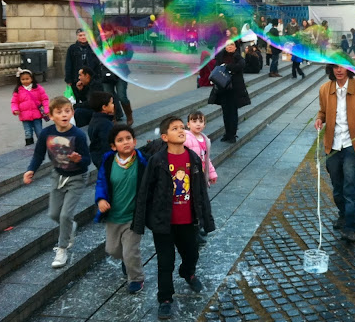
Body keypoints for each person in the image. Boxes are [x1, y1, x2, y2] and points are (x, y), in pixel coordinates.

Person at [132, 116, 215, 320]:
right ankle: (165, 299)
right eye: (174, 128)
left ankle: (187, 272)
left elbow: (200, 191)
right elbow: (145, 191)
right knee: (165, 262)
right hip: (164, 222)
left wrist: (206, 218)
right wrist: (142, 221)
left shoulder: (193, 158)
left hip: (188, 220)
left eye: (181, 127)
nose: (180, 130)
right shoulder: (157, 160)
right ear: (164, 137)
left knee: (192, 254)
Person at [314, 64, 355, 242]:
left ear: (348, 68)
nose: (339, 70)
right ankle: (343, 215)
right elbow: (322, 111)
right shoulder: (324, 89)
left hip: (352, 143)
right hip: (333, 145)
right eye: (335, 67)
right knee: (337, 187)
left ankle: (350, 227)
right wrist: (319, 119)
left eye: (342, 66)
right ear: (330, 69)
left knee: (349, 187)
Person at [23, 96, 91, 268]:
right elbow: (38, 155)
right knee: (54, 214)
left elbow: (87, 160)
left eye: (67, 111)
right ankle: (70, 226)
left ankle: (62, 249)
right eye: (59, 112)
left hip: (77, 177)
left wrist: (79, 159)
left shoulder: (78, 135)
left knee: (65, 215)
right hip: (58, 176)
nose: (64, 115)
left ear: (72, 113)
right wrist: (31, 170)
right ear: (51, 116)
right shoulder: (47, 133)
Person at [95, 124, 148, 294]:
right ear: (113, 146)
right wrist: (101, 199)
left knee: (131, 251)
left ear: (134, 141)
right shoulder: (108, 162)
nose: (125, 142)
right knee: (112, 250)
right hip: (113, 216)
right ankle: (126, 260)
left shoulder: (142, 161)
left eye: (128, 138)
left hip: (133, 217)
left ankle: (136, 279)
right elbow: (101, 182)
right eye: (120, 140)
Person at [183, 111, 218, 247]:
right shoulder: (187, 138)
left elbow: (206, 159)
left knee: (201, 203)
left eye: (201, 121)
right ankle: (194, 232)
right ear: (188, 124)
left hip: (201, 178)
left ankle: (199, 227)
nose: (198, 124)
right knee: (194, 205)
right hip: (191, 178)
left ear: (204, 124)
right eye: (194, 121)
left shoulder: (204, 139)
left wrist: (211, 174)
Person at [208, 40, 251, 143]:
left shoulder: (238, 57)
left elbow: (240, 66)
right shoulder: (220, 56)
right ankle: (227, 133)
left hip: (234, 89)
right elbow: (216, 68)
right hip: (223, 88)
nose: (230, 46)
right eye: (227, 45)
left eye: (232, 44)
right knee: (225, 112)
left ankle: (232, 134)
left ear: (235, 47)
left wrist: (226, 67)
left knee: (233, 112)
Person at [100, 24, 134, 125]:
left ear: (111, 31)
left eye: (106, 32)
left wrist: (118, 59)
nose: (103, 34)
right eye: (102, 32)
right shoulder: (99, 42)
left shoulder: (121, 39)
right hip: (106, 72)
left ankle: (129, 115)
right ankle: (113, 118)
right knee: (108, 97)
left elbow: (129, 54)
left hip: (120, 71)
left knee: (121, 95)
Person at [11, 68, 49, 146]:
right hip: (24, 116)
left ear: (32, 78)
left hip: (37, 115)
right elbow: (14, 102)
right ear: (20, 80)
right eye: (23, 79)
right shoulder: (18, 90)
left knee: (39, 131)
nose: (25, 81)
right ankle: (29, 146)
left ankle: (42, 145)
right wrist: (15, 109)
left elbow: (45, 99)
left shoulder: (38, 88)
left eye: (27, 79)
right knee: (28, 132)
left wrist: (46, 109)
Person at [88, 91, 115, 168]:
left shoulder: (94, 120)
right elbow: (107, 144)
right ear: (104, 107)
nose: (113, 105)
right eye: (111, 103)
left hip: (97, 157)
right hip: (106, 161)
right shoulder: (105, 124)